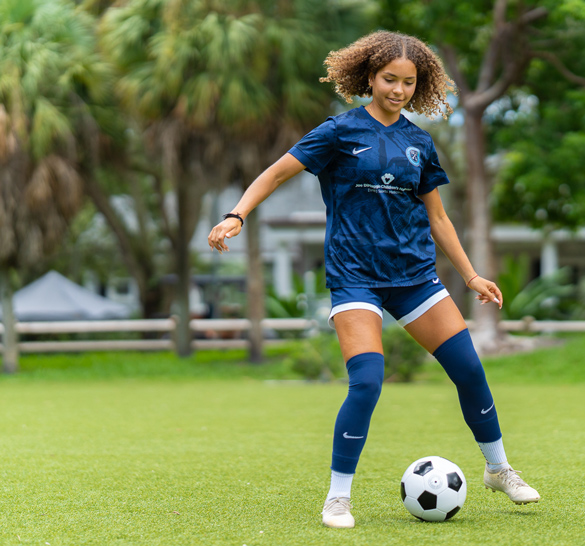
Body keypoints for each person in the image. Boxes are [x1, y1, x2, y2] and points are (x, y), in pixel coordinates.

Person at [207, 30, 540, 529]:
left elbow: (439, 219)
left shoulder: (419, 143)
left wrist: (470, 275)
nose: (399, 90)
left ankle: (499, 469)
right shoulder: (338, 132)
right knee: (366, 383)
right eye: (389, 80)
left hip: (414, 277)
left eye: (409, 83)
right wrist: (236, 215)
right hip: (355, 277)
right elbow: (275, 174)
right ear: (368, 77)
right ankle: (338, 498)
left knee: (469, 370)